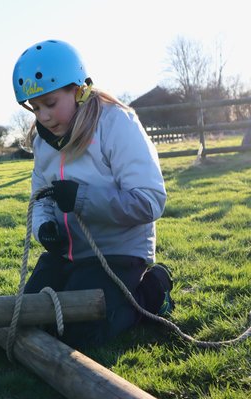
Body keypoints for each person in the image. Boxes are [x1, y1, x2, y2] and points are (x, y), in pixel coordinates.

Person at [12, 39, 174, 349]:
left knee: (82, 335)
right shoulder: (43, 142)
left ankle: (153, 289)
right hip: (68, 254)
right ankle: (81, 284)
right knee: (31, 319)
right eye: (35, 108)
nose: (43, 117)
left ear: (79, 90)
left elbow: (151, 200)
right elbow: (41, 199)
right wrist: (44, 228)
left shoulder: (116, 124)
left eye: (49, 103)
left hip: (118, 253)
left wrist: (83, 200)